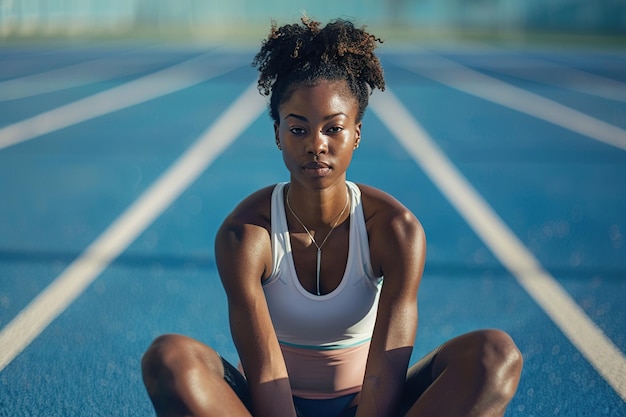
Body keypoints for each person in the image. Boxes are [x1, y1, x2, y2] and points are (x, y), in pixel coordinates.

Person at [141, 17, 523, 417]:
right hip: (269, 406)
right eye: (298, 129)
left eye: (333, 129)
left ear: (356, 133)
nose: (316, 145)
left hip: (369, 403)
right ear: (277, 135)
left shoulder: (395, 230)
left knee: (495, 355)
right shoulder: (246, 235)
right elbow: (265, 368)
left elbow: (385, 372)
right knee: (168, 358)